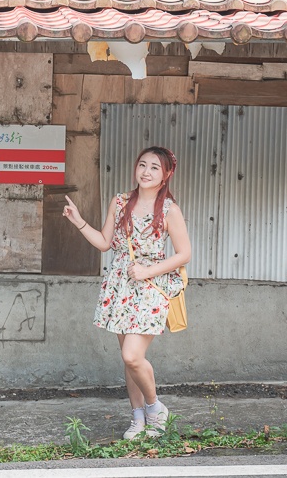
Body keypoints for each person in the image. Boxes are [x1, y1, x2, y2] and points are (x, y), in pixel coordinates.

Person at [63, 146, 191, 439]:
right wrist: (79, 221)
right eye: (142, 165)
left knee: (133, 355)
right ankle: (138, 419)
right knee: (126, 357)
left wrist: (147, 271)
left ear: (167, 174)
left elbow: (184, 254)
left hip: (150, 286)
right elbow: (105, 242)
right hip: (120, 286)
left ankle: (156, 408)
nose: (146, 172)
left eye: (155, 167)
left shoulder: (170, 210)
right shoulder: (120, 202)